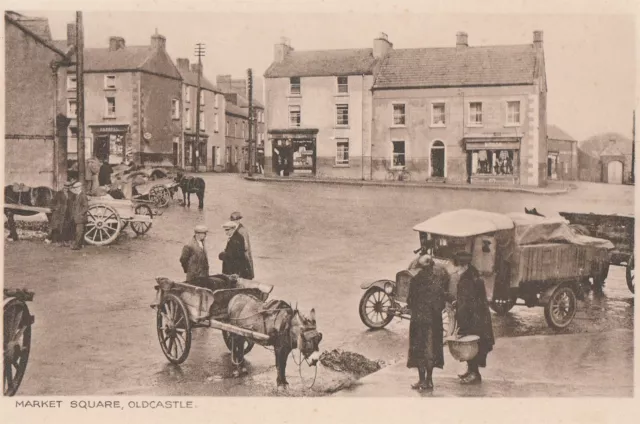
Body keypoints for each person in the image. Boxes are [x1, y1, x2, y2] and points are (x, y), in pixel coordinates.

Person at [406, 254, 450, 392]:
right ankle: (429, 380)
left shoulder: (415, 280)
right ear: (432, 266)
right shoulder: (438, 280)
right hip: (434, 321)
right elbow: (441, 303)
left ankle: (422, 379)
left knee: (419, 350)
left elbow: (409, 301)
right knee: (431, 350)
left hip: (419, 320)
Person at [454, 251, 495, 385]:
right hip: (479, 318)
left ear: (464, 266)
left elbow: (466, 304)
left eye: (458, 266)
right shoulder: (474, 276)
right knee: (473, 346)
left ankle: (474, 374)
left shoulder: (467, 281)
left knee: (471, 346)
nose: (456, 269)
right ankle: (471, 371)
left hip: (473, 320)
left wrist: (460, 321)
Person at [230, 211, 254, 279]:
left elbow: (246, 247)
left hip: (243, 259)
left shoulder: (242, 230)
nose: (232, 222)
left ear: (238, 220)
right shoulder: (236, 229)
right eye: (232, 221)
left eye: (234, 220)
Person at [69, 181, 89, 250]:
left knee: (79, 232)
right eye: (74, 188)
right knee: (79, 232)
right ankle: (80, 245)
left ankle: (77, 246)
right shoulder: (77, 195)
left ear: (80, 187)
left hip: (81, 217)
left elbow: (86, 206)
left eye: (76, 187)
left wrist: (80, 214)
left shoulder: (82, 195)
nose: (75, 189)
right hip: (77, 217)